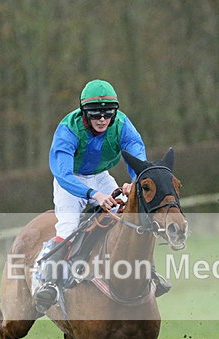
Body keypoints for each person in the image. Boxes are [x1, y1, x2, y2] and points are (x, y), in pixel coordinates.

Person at [32, 79, 170, 312]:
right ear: (84, 113)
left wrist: (135, 181)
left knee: (131, 219)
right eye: (96, 115)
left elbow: (136, 150)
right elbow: (62, 172)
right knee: (67, 228)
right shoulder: (68, 129)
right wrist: (94, 195)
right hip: (71, 181)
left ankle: (151, 274)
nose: (103, 120)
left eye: (107, 114)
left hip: (100, 176)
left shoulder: (122, 123)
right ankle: (49, 283)